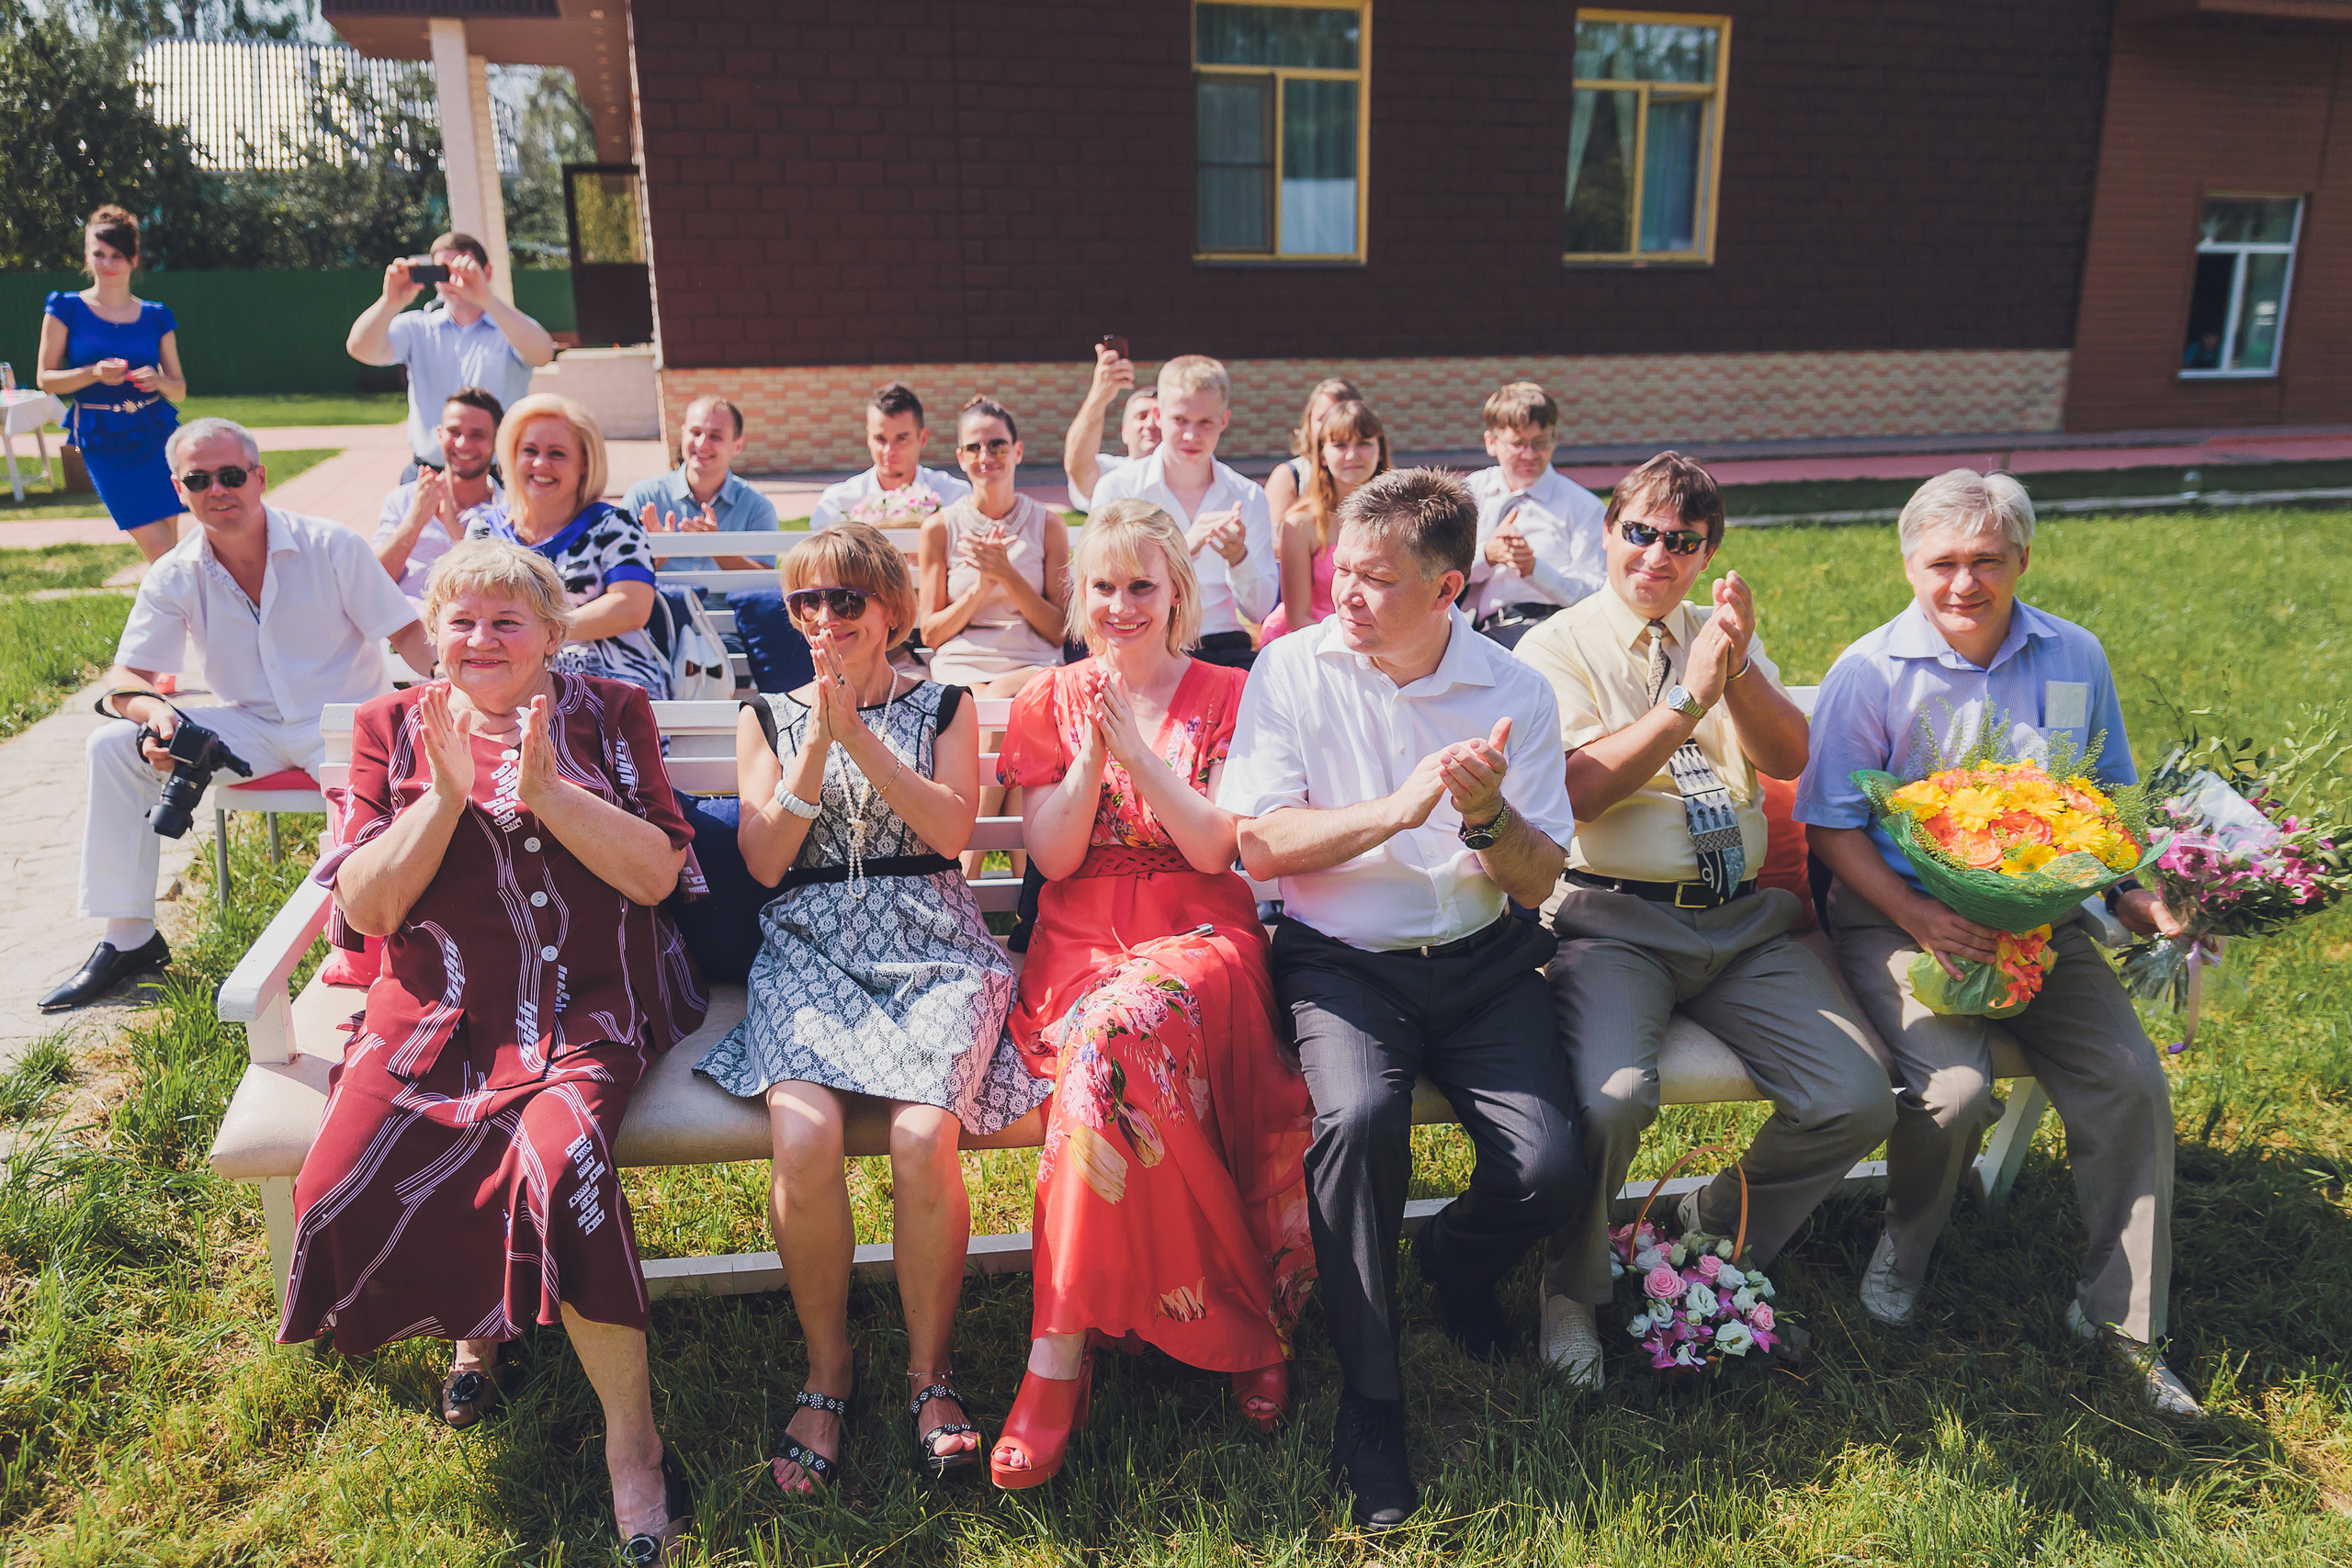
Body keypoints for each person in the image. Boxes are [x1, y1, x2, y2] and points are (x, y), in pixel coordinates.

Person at [277, 540, 707, 1562]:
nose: (480, 640)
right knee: (331, 1184)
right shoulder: (393, 727)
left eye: (507, 621)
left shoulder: (610, 714)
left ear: (552, 636)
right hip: (437, 1010)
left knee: (560, 1168)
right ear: (433, 634)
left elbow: (655, 879)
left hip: (588, 1004)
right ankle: (484, 1323)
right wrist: (444, 797)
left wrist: (555, 795)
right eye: (460, 621)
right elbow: (371, 904)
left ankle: (633, 1448)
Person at [1218, 468, 1585, 1530]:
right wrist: (1400, 807)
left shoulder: (1513, 690)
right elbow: (1259, 843)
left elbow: (1532, 878)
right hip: (1341, 962)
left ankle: (1455, 1266)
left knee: (1554, 1168)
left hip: (1482, 959)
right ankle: (1372, 1402)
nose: (1346, 593)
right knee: (1361, 1123)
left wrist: (1480, 819)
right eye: (1344, 569)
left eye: (1377, 581)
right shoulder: (1289, 668)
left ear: (1449, 589)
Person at [1796, 469, 2202, 1416]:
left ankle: (2122, 1322)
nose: (1963, 584)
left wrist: (2142, 900)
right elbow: (1831, 827)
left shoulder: (2073, 656)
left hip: (2042, 923)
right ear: (1908, 564)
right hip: (1896, 917)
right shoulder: (1870, 670)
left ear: (2022, 558)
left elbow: (2106, 799)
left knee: (2131, 1080)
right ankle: (1906, 1243)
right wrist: (1921, 916)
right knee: (1955, 1090)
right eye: (1942, 562)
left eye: (1987, 560)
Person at [1515, 451, 1895, 1389]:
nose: (1656, 555)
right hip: (1612, 919)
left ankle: (1709, 1222)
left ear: (1706, 553)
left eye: (1681, 543)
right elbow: (1578, 795)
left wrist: (1736, 670)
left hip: (1738, 919)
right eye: (1638, 532)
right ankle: (1570, 1287)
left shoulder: (1715, 633)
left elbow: (1789, 752)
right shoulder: (1553, 647)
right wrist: (1686, 694)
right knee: (1609, 1103)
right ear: (1607, 532)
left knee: (1853, 1099)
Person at [695, 523, 1046, 1491]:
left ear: (889, 609)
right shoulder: (766, 715)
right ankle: (828, 1370)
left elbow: (950, 834)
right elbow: (764, 863)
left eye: (844, 600)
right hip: (808, 950)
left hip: (932, 949)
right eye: (805, 602)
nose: (824, 619)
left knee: (923, 1138)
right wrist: (817, 741)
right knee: (802, 1136)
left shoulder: (944, 705)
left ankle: (929, 1376)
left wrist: (862, 737)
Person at [988, 501, 1315, 1490]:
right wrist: (1093, 748)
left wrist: (1140, 753)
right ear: (1078, 596)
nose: (1121, 605)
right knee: (1109, 1050)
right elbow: (1051, 853)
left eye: (1141, 586)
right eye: (1102, 586)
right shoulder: (1049, 699)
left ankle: (1058, 1356)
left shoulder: (1227, 690)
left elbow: (1217, 845)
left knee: (1120, 1035)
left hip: (1201, 941)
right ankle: (1238, 1316)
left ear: (1177, 594)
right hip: (1081, 942)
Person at [40, 416, 433, 1011]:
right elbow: (126, 678)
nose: (217, 490)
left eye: (230, 474)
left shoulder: (331, 544)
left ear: (259, 476)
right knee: (110, 745)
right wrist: (155, 713)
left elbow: (407, 631)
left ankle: (392, 940)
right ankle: (129, 938)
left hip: (345, 722)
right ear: (179, 490)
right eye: (200, 479)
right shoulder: (175, 571)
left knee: (386, 801)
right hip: (250, 726)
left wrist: (460, 690)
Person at [920, 396, 1071, 878]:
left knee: (1000, 706)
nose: (987, 456)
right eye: (975, 447)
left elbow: (1057, 627)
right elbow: (932, 631)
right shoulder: (940, 528)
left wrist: (1008, 576)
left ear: (1018, 451)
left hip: (1029, 659)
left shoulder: (1048, 523)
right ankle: (1014, 880)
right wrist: (979, 590)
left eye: (997, 445)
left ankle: (966, 870)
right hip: (963, 660)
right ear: (961, 457)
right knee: (989, 710)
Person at [466, 393, 668, 697]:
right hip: (503, 685)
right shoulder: (483, 529)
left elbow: (632, 607)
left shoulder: (614, 525)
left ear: (584, 462)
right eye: (529, 450)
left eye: (557, 454)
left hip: (608, 688)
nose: (540, 464)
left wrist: (540, 632)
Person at [1087, 355, 1276, 671]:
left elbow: (1259, 611)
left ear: (1225, 420)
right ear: (1158, 415)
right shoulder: (1117, 488)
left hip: (1219, 641)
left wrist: (1238, 557)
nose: (1191, 435)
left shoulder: (1247, 496)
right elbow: (1097, 582)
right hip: (1140, 638)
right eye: (1180, 420)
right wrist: (1183, 547)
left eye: (1206, 422)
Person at [37, 206, 187, 562]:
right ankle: (192, 616)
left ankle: (177, 617)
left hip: (155, 434)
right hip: (102, 439)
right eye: (98, 254)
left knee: (169, 547)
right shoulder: (66, 308)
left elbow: (179, 388)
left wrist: (159, 381)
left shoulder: (156, 315)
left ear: (133, 259)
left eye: (116, 256)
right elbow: (46, 379)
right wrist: (92, 373)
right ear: (87, 257)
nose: (106, 264)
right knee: (161, 548)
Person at [345, 231, 555, 478]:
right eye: (444, 271)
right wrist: (390, 302)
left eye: (464, 269)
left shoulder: (509, 327)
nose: (454, 279)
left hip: (499, 475)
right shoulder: (418, 327)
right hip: (427, 473)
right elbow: (360, 348)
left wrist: (486, 298)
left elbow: (542, 354)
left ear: (486, 273)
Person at [1464, 382, 1607, 648]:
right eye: (1518, 444)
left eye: (1540, 442)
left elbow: (1598, 594)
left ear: (1555, 439)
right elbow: (1436, 568)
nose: (1530, 454)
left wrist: (1535, 570)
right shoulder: (1470, 493)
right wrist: (1488, 554)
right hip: (1470, 631)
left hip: (1552, 629)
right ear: (1491, 442)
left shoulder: (1583, 507)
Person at [1259, 397, 1389, 640]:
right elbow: (1298, 618)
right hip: (1316, 643)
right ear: (1322, 453)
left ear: (1380, 449)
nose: (1352, 455)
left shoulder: (1398, 521)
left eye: (1363, 443)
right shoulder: (1300, 524)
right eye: (1340, 445)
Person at [623, 395, 780, 576]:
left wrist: (718, 550)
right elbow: (618, 577)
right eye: (695, 432)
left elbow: (765, 583)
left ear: (738, 445)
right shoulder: (642, 498)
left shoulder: (758, 507)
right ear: (683, 434)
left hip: (728, 606)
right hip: (661, 605)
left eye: (715, 436)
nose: (702, 444)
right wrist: (658, 554)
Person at [372, 387, 505, 598]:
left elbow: (499, 591)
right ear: (439, 435)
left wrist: (454, 530)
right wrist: (415, 521)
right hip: (405, 625)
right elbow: (374, 581)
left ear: (498, 442)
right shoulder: (403, 500)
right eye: (454, 432)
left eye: (477, 435)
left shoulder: (509, 512)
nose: (463, 444)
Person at [808, 383, 971, 529]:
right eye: (880, 439)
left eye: (901, 439)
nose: (889, 450)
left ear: (923, 438)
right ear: (868, 437)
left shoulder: (954, 497)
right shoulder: (838, 502)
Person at [1061, 341, 1162, 513]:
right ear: (1125, 431)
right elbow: (1078, 466)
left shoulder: (1192, 477)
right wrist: (1098, 394)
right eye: (1142, 416)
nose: (1151, 424)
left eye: (1159, 416)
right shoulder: (1111, 477)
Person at [1261, 377, 1363, 529]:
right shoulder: (1290, 476)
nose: (1331, 425)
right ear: (1308, 423)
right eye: (1323, 418)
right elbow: (1268, 540)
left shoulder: (1377, 471)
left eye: (1340, 417)